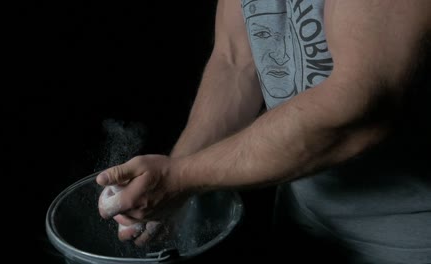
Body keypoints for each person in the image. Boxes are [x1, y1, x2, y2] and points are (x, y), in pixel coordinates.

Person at [96, 0, 431, 263]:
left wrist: (183, 178)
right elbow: (236, 62)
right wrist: (176, 182)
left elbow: (356, 109)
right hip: (302, 223)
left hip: (407, 243)